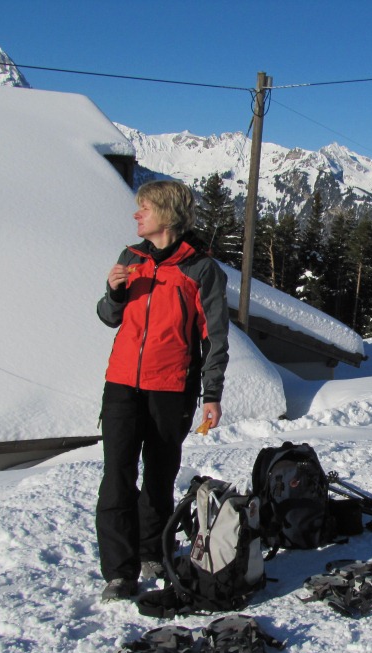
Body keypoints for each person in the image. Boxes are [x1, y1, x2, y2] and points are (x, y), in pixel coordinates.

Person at [94, 180, 229, 601]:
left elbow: (216, 337)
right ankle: (119, 572)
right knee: (116, 477)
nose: (137, 215)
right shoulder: (129, 259)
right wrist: (113, 292)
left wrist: (211, 395)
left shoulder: (200, 270)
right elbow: (107, 317)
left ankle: (153, 549)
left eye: (145, 208)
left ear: (168, 215)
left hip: (171, 388)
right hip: (121, 385)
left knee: (159, 476)